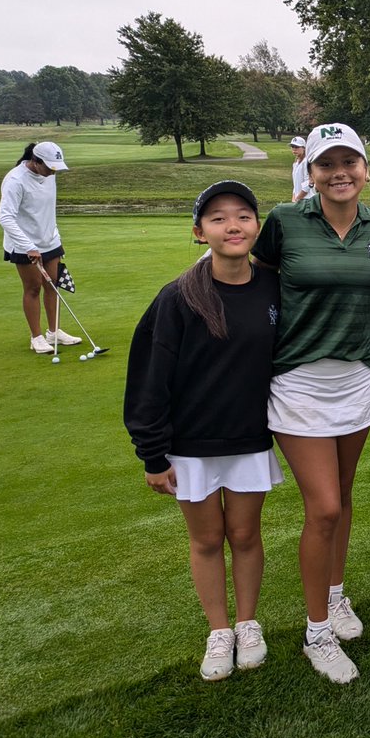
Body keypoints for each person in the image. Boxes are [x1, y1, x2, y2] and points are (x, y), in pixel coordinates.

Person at [124, 181, 282, 681]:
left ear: (257, 226)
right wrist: (152, 454)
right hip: (188, 446)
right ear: (199, 233)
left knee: (245, 533)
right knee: (208, 539)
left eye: (242, 216)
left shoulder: (274, 288)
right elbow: (150, 378)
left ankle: (248, 623)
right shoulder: (178, 298)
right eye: (217, 218)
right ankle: (219, 631)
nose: (232, 226)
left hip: (249, 439)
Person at [252, 122, 370, 684]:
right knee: (324, 507)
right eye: (326, 164)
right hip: (300, 382)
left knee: (345, 497)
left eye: (349, 162)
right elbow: (253, 282)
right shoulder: (285, 221)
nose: (339, 173)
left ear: (363, 168)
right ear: (309, 171)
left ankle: (335, 596)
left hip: (356, 377)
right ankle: (316, 632)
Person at [0, 141, 82, 354]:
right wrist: (28, 246)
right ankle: (36, 337)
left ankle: (54, 333)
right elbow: (6, 218)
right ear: (35, 162)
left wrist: (56, 238)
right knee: (33, 288)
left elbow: (47, 211)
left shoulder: (48, 176)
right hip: (23, 244)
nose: (53, 172)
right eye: (49, 167)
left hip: (49, 240)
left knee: (52, 285)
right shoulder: (15, 180)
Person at [289, 136, 312, 203]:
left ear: (304, 148)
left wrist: (298, 198)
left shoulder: (306, 162)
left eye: (297, 147)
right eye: (292, 147)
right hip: (298, 200)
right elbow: (296, 184)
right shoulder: (295, 163)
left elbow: (309, 183)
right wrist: (294, 198)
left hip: (307, 199)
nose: (294, 149)